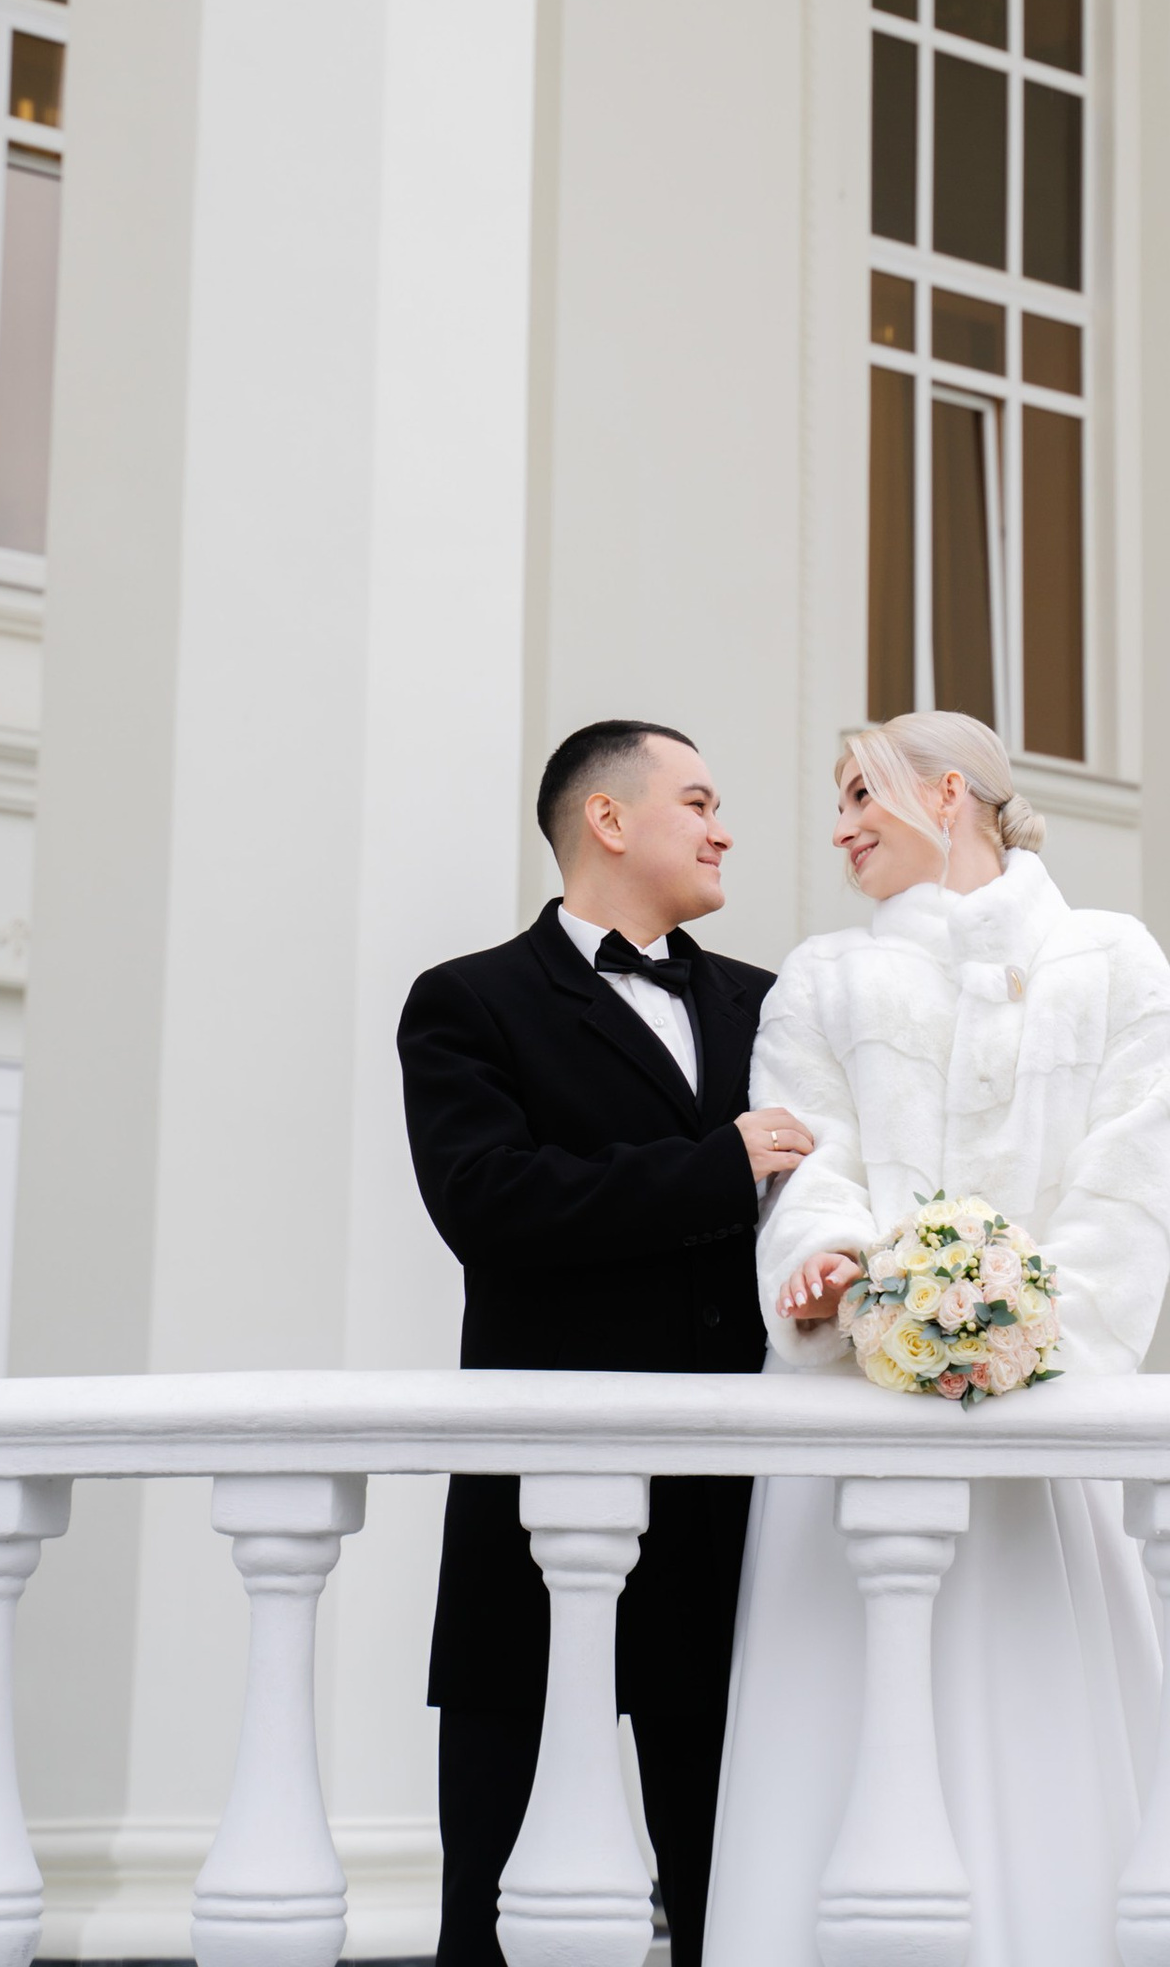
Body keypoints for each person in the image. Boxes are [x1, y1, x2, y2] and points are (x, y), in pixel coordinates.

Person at [706, 710, 1170, 1967]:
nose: (839, 827)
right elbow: (812, 1163)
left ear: (948, 795)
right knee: (845, 1711)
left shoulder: (1115, 962)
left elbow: (1132, 1182)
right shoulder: (822, 977)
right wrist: (837, 1279)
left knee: (1039, 1703)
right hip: (852, 1418)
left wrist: (1022, 1327)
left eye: (860, 795)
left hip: (1038, 1424)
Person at [397, 722, 817, 1967]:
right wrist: (716, 1167)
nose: (724, 825)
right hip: (542, 1501)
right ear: (609, 821)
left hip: (736, 1503)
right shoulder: (469, 1001)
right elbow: (488, 1205)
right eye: (697, 800)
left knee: (729, 1877)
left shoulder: (768, 1002)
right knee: (498, 1870)